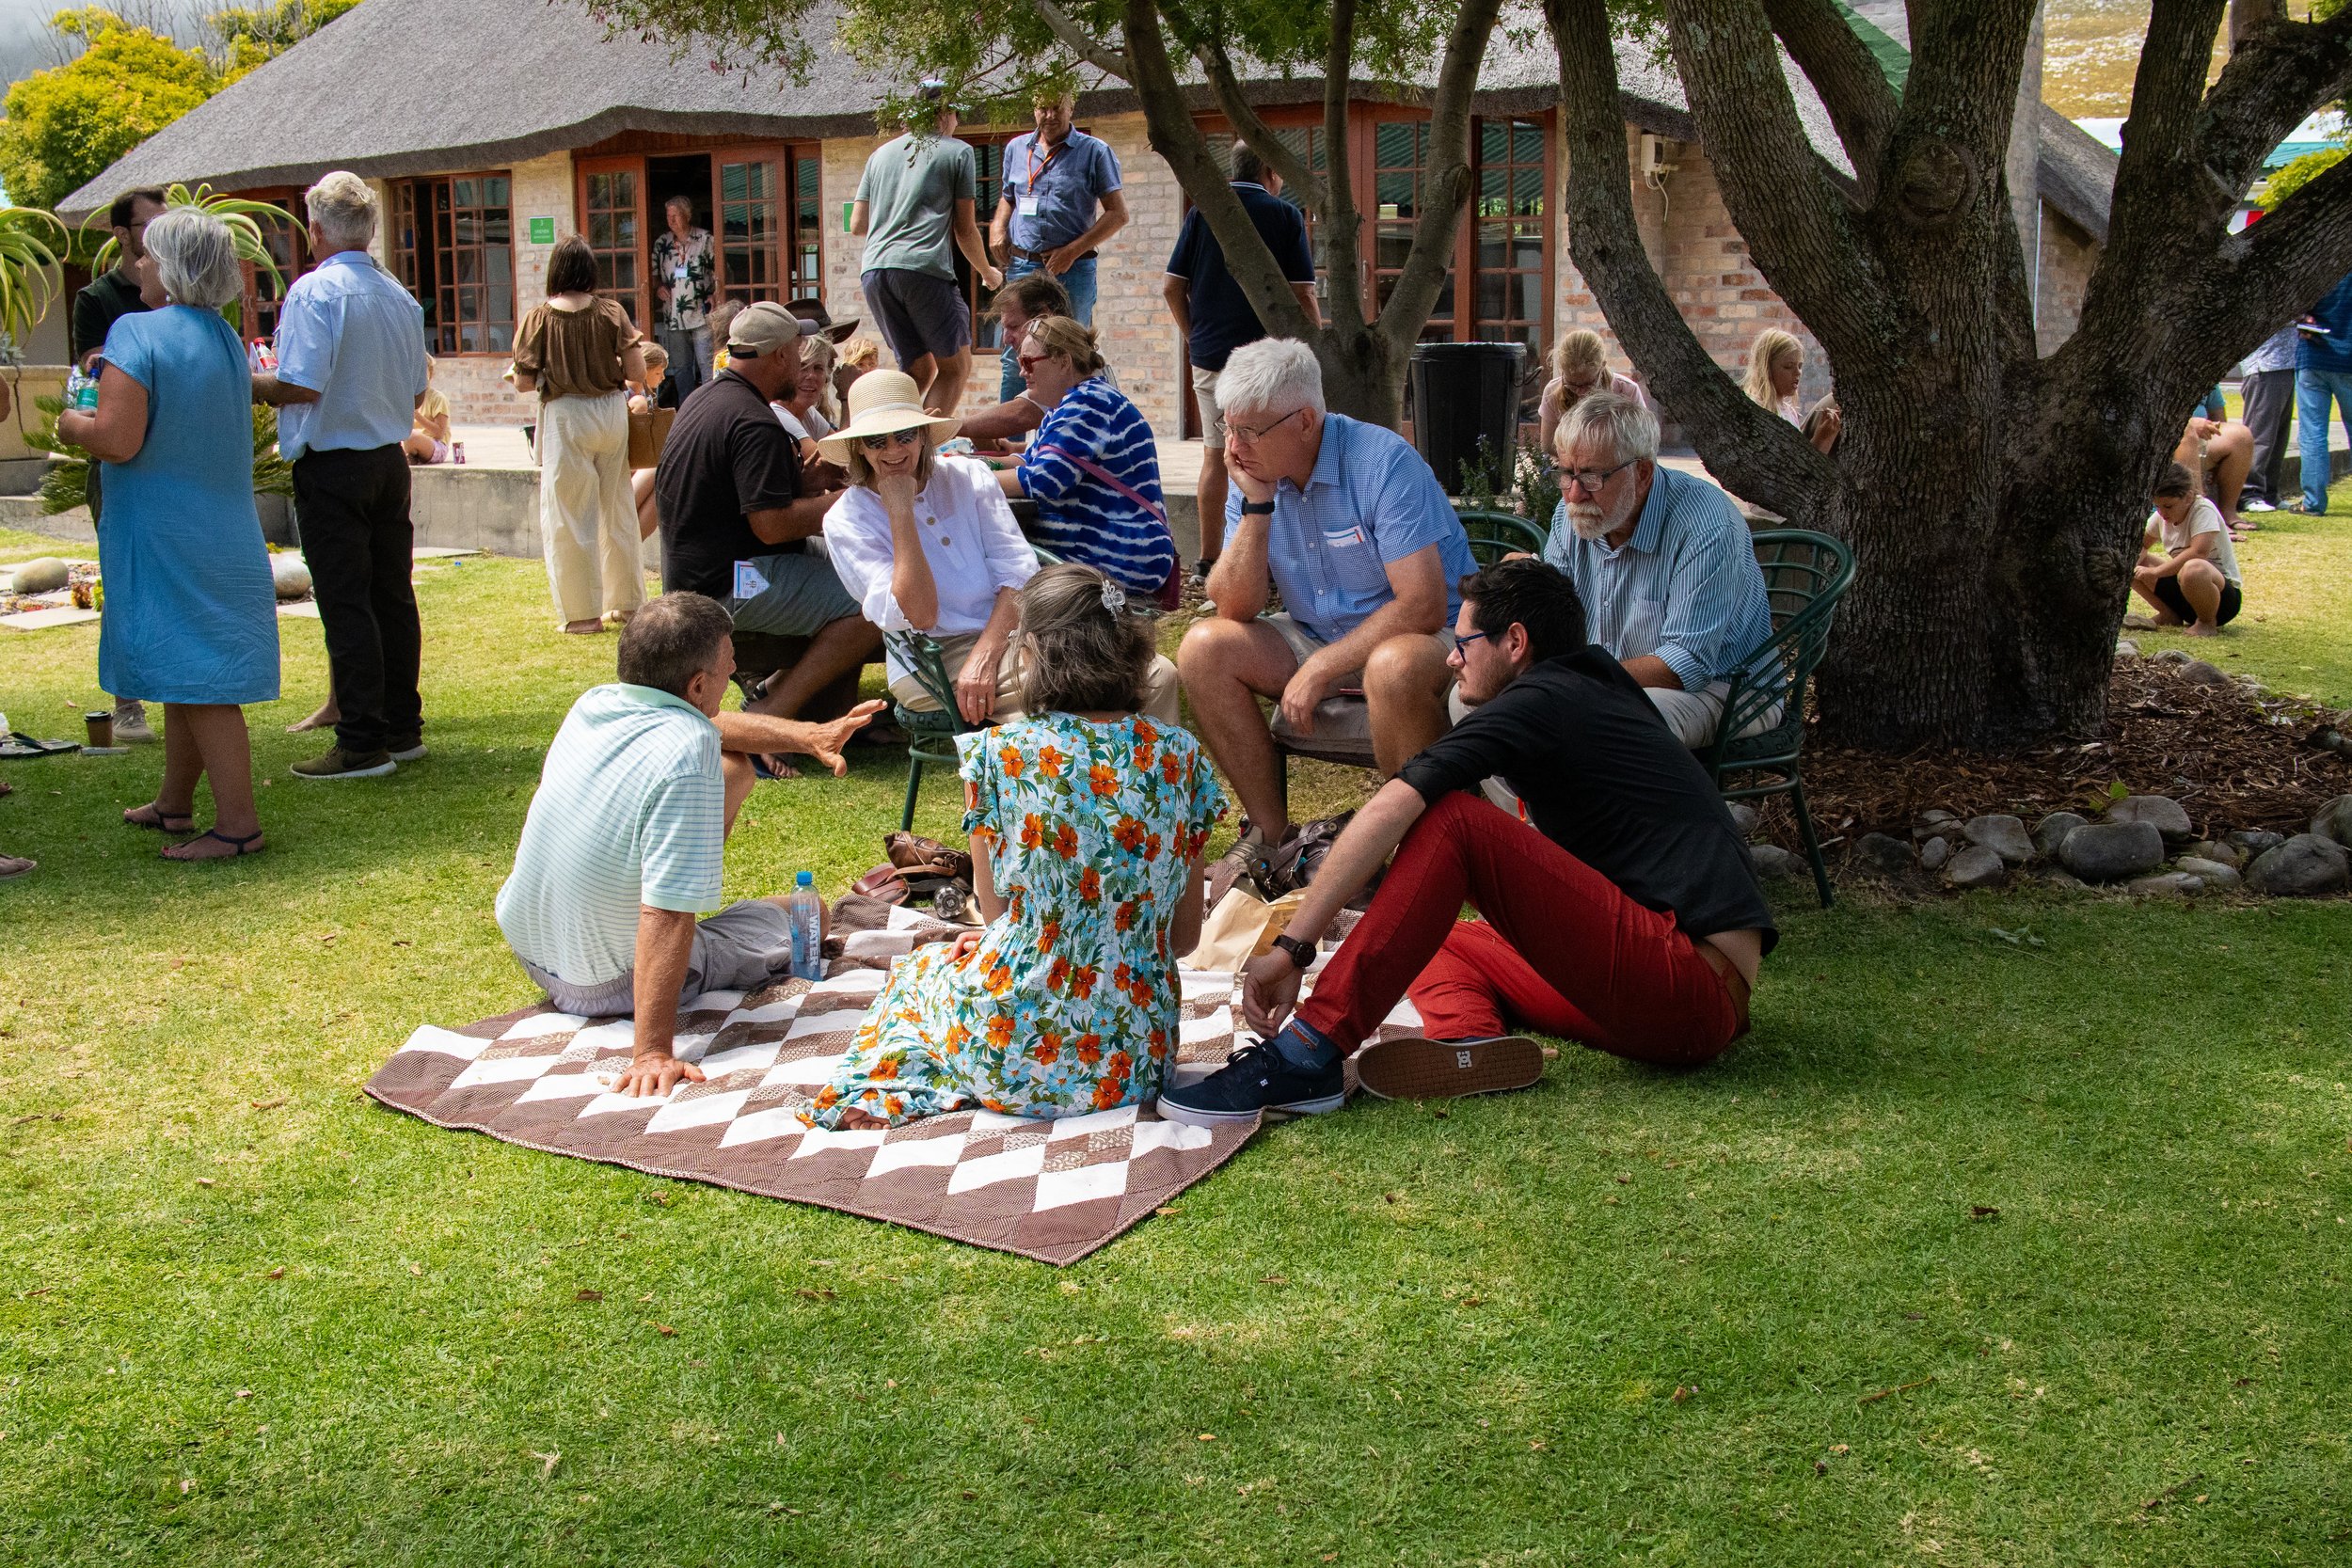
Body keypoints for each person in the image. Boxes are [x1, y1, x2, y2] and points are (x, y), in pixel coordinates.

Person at [1159, 558, 1772, 1126]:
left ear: (1515, 643)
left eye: (1463, 644)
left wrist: (1292, 947)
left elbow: (1396, 803)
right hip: (1684, 989)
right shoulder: (1586, 686)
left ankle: (1308, 1051)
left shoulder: (1544, 697)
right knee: (1440, 934)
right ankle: (1470, 1046)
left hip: (1689, 986)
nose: (1453, 660)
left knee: (1453, 819)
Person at [803, 564, 1223, 1129]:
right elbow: (1184, 937)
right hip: (1137, 1059)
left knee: (919, 974)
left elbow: (996, 911)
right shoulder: (1181, 756)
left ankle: (898, 1087)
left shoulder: (998, 756)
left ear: (1028, 654)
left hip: (1015, 1054)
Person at [496, 594, 882, 1094]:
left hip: (530, 950)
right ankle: (661, 992)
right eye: (728, 663)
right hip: (601, 986)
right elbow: (666, 914)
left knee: (734, 769)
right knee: (809, 916)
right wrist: (652, 1051)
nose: (737, 666)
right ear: (698, 684)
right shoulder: (688, 751)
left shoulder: (595, 702)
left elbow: (711, 721)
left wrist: (810, 736)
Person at [1177, 337, 1475, 870]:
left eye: (1249, 430)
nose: (1233, 446)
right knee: (1204, 647)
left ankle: (1421, 853)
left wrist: (1322, 666)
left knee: (1393, 663)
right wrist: (1257, 507)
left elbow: (1422, 606)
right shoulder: (1255, 475)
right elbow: (1233, 606)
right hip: (1320, 632)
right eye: (1228, 426)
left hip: (1431, 644)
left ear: (1306, 420)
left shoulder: (1382, 463)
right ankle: (1271, 838)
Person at [57, 210, 278, 862]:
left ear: (174, 267)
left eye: (149, 258)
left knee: (202, 681)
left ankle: (238, 824)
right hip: (223, 528)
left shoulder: (135, 330)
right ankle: (175, 802)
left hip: (165, 532)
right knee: (190, 674)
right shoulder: (222, 337)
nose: (139, 267)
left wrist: (72, 425)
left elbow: (118, 439)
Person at [820, 369, 1180, 725]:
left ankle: (1152, 782)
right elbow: (921, 614)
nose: (894, 451)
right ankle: (1096, 777)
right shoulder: (846, 520)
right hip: (932, 655)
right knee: (1071, 692)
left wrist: (987, 652)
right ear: (858, 448)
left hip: (1016, 632)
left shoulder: (968, 477)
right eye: (877, 441)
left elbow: (1019, 571)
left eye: (904, 435)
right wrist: (900, 512)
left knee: (1157, 673)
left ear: (923, 435)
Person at [252, 170, 432, 782]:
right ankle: (401, 724)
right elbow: (417, 387)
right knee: (391, 594)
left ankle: (361, 737)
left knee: (348, 599)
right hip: (387, 456)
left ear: (317, 229)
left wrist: (244, 381)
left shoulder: (314, 292)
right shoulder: (398, 296)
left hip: (335, 461)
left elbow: (301, 381)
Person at [653, 303, 880, 764]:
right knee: (873, 599)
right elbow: (772, 526)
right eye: (798, 353)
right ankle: (774, 714)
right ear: (778, 356)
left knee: (851, 570)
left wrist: (804, 484)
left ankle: (815, 712)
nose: (802, 363)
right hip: (731, 583)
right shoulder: (753, 420)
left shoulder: (706, 398)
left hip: (704, 575)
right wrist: (851, 500)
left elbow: (737, 497)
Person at [1538, 393, 1774, 749]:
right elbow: (1551, 624)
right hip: (1603, 681)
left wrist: (1577, 680)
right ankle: (1534, 808)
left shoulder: (1706, 526)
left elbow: (1688, 664)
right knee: (1472, 705)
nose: (1574, 494)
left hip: (1725, 688)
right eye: (1565, 474)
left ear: (1643, 472)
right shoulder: (1569, 517)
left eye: (1591, 477)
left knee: (1611, 724)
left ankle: (1657, 806)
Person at [1164, 142, 1321, 577]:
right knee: (1285, 456)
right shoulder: (1284, 215)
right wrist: (1316, 348)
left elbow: (1171, 287)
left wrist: (1194, 336)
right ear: (1269, 169)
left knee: (1217, 456)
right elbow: (1303, 293)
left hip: (1212, 355)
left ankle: (1209, 559)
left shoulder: (1203, 213)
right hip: (1269, 367)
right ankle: (1276, 562)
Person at [72, 184, 170, 748]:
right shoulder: (98, 299)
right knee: (123, 574)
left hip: (171, 455)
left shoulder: (181, 298)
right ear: (121, 234)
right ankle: (127, 705)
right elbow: (90, 370)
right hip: (117, 458)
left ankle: (181, 691)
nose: (156, 233)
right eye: (147, 224)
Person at [513, 235, 650, 635]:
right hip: (610, 411)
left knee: (569, 516)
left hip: (566, 414)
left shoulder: (539, 318)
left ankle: (582, 615)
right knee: (618, 509)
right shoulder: (611, 311)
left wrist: (550, 371)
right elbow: (638, 372)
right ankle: (627, 605)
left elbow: (523, 382)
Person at [993, 314, 1178, 602]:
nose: (1021, 373)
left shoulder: (1088, 404)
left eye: (1027, 362)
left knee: (992, 567)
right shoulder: (1070, 404)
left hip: (1120, 555)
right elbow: (1029, 462)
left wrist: (966, 479)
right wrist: (970, 463)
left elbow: (1043, 480)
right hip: (1109, 551)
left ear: (1063, 361)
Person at [852, 80, 1003, 416]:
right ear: (944, 115)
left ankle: (879, 443)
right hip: (923, 270)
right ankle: (924, 461)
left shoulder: (879, 156)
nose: (957, 123)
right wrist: (988, 272)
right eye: (956, 115)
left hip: (875, 271)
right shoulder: (958, 151)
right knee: (955, 368)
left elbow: (858, 224)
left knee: (918, 371)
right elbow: (964, 229)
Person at [987, 86, 1128, 398]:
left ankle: (1071, 429)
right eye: (1042, 108)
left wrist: (1071, 251)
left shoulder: (1094, 151)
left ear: (1071, 108)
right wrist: (998, 226)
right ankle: (1010, 443)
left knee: (1069, 355)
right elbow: (1008, 198)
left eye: (1057, 108)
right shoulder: (1016, 149)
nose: (1049, 116)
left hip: (1072, 271)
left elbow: (1118, 214)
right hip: (1023, 267)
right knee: (1015, 356)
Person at [948, 269, 1074, 447]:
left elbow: (1022, 414)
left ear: (1044, 316)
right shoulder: (1060, 355)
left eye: (1014, 326)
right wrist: (1016, 449)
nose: (1006, 339)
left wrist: (951, 426)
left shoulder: (1071, 357)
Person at [2131, 460, 2243, 636]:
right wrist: (2132, 567)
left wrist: (2155, 572)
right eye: (2157, 506)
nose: (2162, 513)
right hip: (2184, 591)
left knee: (2193, 567)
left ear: (2188, 497)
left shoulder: (2203, 509)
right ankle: (2169, 614)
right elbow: (2143, 544)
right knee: (2129, 559)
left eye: (2168, 506)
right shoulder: (2162, 516)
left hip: (2221, 598)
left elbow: (2199, 552)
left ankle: (2207, 622)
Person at [2293, 270, 2352, 515]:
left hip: (2314, 355)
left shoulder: (2321, 260)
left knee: (2312, 433)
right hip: (2348, 359)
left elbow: (2294, 304)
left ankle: (2314, 502)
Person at [1535, 327, 1647, 456]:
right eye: (1572, 384)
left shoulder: (1627, 391)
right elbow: (1548, 446)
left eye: (1588, 384)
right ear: (1562, 371)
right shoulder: (1553, 391)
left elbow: (1642, 441)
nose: (1580, 392)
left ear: (1602, 366)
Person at [650, 195, 716, 405]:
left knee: (707, 364)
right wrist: (658, 287)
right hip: (673, 315)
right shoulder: (662, 243)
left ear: (687, 216)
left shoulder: (705, 239)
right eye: (668, 216)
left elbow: (720, 271)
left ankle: (710, 408)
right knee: (680, 367)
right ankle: (688, 409)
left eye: (675, 215)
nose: (671, 220)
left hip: (701, 312)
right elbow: (651, 275)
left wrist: (715, 293)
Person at [1740, 327, 1839, 453]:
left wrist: (1827, 434)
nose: (1797, 372)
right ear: (1766, 368)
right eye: (1788, 366)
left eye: (1800, 366)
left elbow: (1802, 460)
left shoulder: (1789, 411)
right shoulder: (1755, 407)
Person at [2239, 322, 2296, 515]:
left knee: (2279, 437)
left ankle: (2269, 493)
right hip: (2264, 365)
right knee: (2260, 435)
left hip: (2285, 363)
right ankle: (2249, 493)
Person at [2171, 410, 2253, 533]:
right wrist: (2191, 422)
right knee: (2187, 431)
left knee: (2240, 435)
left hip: (2202, 436)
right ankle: (2200, 516)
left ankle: (2227, 512)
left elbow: (2219, 419)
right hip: (2169, 435)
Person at [402, 356, 453, 465]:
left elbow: (439, 433)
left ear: (431, 373)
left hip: (435, 445)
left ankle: (411, 455)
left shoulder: (438, 398)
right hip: (412, 444)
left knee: (410, 436)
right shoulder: (408, 398)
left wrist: (417, 416)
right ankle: (412, 456)